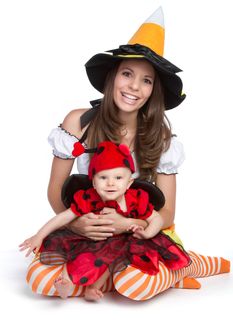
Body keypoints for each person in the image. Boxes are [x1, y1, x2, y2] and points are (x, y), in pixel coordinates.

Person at [25, 7, 230, 300]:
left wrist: (129, 224)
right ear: (112, 77)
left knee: (135, 287)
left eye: (146, 80)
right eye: (127, 74)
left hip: (137, 230)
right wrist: (76, 223)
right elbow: (55, 190)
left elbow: (167, 210)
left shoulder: (161, 139)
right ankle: (108, 277)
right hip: (88, 231)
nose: (134, 86)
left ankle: (182, 266)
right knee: (40, 282)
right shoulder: (78, 124)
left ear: (153, 91)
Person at [20, 141, 191, 301]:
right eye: (103, 178)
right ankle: (66, 282)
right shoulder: (89, 198)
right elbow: (63, 217)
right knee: (77, 254)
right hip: (93, 239)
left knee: (113, 255)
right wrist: (39, 236)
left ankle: (93, 288)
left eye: (118, 178)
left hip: (125, 241)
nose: (110, 183)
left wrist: (146, 233)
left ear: (129, 182)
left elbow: (157, 218)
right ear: (93, 182)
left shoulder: (135, 199)